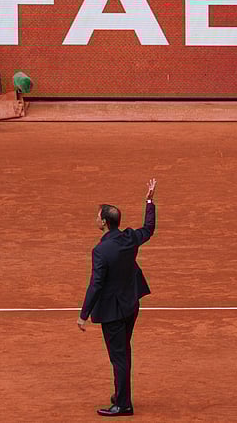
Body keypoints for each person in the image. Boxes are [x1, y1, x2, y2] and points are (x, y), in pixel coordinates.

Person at [78, 179, 157, 418]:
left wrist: (83, 315)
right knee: (123, 352)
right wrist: (150, 200)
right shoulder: (130, 238)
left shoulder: (101, 251)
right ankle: (120, 394)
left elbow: (96, 285)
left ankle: (123, 405)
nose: (96, 219)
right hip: (131, 305)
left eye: (97, 216)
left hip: (113, 312)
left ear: (104, 222)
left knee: (119, 357)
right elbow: (149, 228)